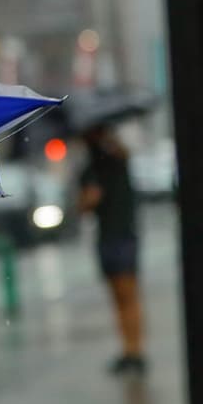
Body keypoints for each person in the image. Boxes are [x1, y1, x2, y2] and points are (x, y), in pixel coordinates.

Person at [78, 122, 146, 375]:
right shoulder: (97, 167)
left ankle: (134, 350)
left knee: (126, 294)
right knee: (121, 296)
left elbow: (86, 204)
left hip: (119, 236)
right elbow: (85, 206)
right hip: (113, 236)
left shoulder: (112, 162)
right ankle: (130, 349)